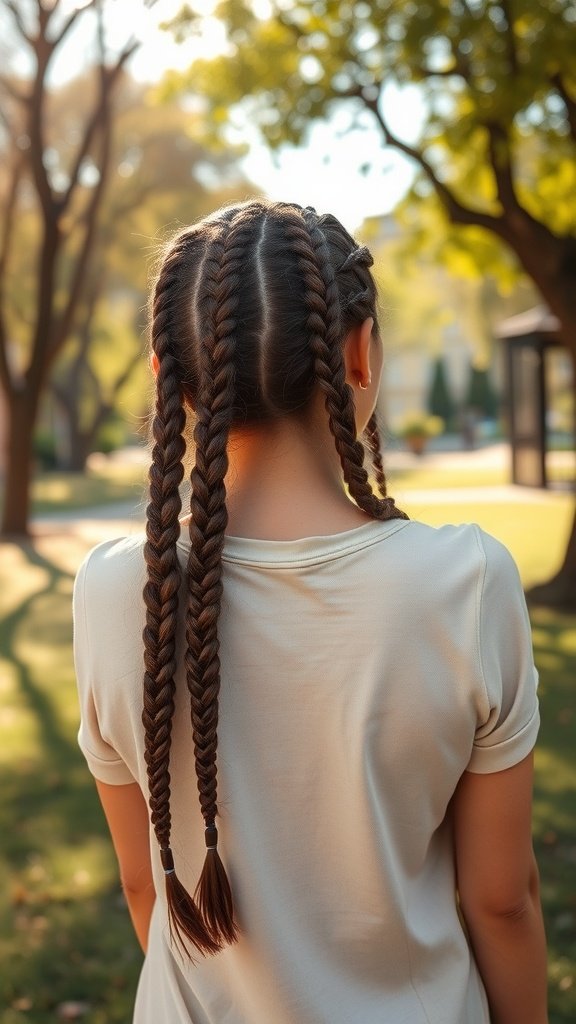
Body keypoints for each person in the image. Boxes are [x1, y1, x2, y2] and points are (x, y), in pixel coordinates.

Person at [73, 199, 548, 1024]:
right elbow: (502, 902)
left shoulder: (116, 591)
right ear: (360, 352)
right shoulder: (463, 581)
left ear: (166, 375)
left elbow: (143, 882)